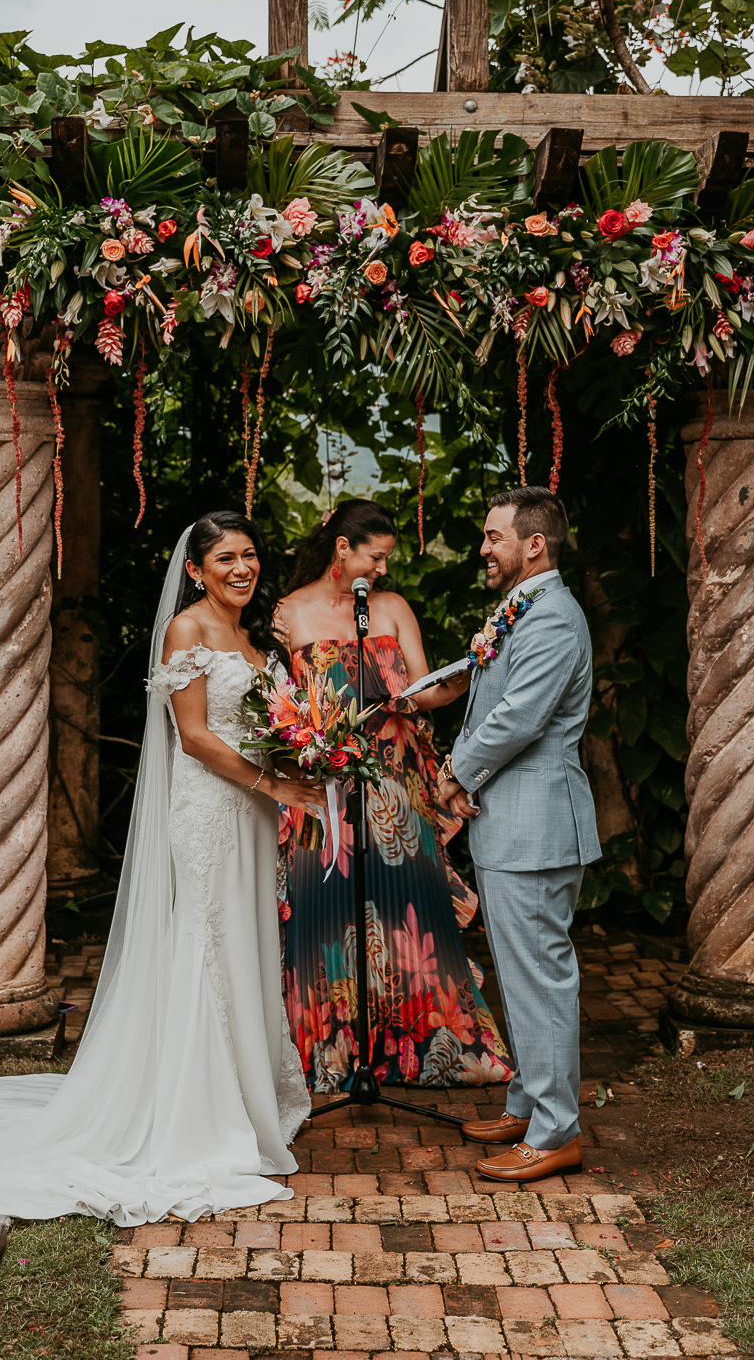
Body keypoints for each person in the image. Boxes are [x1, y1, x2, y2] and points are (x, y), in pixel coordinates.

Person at [0, 512, 323, 1224]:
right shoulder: (187, 630)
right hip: (212, 811)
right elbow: (195, 738)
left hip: (256, 812)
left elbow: (267, 724)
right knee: (206, 942)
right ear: (195, 570)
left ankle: (249, 1092)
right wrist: (276, 786)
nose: (242, 568)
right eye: (226, 557)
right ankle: (202, 1112)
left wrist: (299, 759)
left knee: (248, 942)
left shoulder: (260, 637)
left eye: (251, 555)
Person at [276, 499, 512, 1091]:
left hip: (397, 786)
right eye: (375, 557)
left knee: (411, 913)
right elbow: (279, 706)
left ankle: (424, 1047)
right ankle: (333, 1055)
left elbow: (425, 687)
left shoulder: (392, 607)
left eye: (385, 559)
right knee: (326, 915)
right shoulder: (286, 614)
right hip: (325, 791)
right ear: (342, 549)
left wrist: (455, 680)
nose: (382, 569)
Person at [437, 485, 600, 1183]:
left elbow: (519, 718)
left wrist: (455, 773)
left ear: (534, 544)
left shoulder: (554, 620)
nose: (483, 548)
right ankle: (529, 1103)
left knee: (541, 979)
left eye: (494, 537)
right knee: (524, 975)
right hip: (513, 823)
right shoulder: (524, 607)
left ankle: (557, 1132)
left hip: (537, 826)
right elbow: (482, 687)